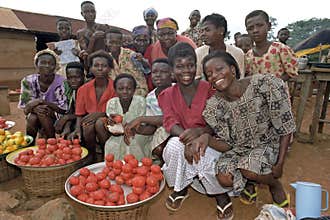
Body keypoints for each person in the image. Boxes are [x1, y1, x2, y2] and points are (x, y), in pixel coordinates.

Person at [196, 51, 295, 219]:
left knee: (249, 168)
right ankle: (251, 182)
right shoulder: (214, 107)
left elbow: (285, 126)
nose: (215, 76)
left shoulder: (264, 84)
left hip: (270, 142)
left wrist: (280, 163)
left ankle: (273, 184)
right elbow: (229, 145)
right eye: (209, 74)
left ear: (233, 70)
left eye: (220, 69)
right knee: (224, 176)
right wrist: (206, 138)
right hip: (241, 149)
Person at [157, 42, 228, 215]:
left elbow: (216, 122)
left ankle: (220, 194)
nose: (186, 71)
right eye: (179, 67)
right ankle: (181, 188)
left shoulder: (209, 89)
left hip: (210, 141)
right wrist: (189, 140)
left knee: (202, 154)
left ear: (196, 67)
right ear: (172, 70)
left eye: (190, 65)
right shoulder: (166, 95)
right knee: (173, 146)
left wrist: (199, 135)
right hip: (184, 140)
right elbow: (170, 121)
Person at [124, 58, 173, 163]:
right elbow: (151, 127)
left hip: (178, 130)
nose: (158, 75)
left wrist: (141, 119)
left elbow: (172, 119)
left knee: (159, 148)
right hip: (160, 131)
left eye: (163, 72)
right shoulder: (150, 98)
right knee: (135, 141)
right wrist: (136, 129)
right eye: (155, 72)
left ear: (172, 74)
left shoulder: (178, 91)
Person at [72, 50, 116, 159]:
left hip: (113, 122)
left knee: (100, 123)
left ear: (110, 68)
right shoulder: (83, 89)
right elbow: (79, 114)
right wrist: (77, 129)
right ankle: (91, 155)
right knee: (87, 125)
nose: (100, 68)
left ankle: (107, 154)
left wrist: (100, 114)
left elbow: (117, 112)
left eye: (104, 66)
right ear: (91, 68)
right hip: (89, 123)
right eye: (96, 65)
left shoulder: (115, 87)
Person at [18, 49, 67, 142]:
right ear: (37, 64)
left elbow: (63, 109)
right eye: (43, 63)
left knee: (42, 112)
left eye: (51, 63)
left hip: (57, 115)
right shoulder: (28, 81)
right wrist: (35, 108)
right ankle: (31, 144)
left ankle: (51, 141)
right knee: (32, 117)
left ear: (55, 66)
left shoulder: (62, 82)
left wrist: (42, 102)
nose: (47, 66)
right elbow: (26, 109)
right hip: (35, 113)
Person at [104, 74, 148, 161]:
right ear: (115, 90)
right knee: (111, 144)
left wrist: (128, 129)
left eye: (129, 89)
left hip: (138, 133)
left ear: (134, 90)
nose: (125, 91)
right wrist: (111, 124)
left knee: (133, 143)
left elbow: (141, 124)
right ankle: (115, 168)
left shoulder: (140, 101)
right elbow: (113, 126)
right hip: (118, 134)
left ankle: (138, 167)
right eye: (120, 89)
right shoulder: (112, 103)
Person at [245, 10, 298, 81]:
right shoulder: (248, 55)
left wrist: (272, 84)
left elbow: (291, 72)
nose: (255, 30)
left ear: (269, 26)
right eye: (250, 28)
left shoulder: (281, 49)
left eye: (260, 25)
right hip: (256, 91)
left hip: (278, 91)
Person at [196, 13, 245, 79]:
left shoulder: (237, 53)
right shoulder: (199, 53)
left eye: (207, 30)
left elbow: (240, 79)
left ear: (221, 30)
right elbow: (197, 80)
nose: (203, 34)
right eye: (202, 31)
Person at [104, 29, 148, 96]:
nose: (114, 45)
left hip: (138, 92)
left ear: (121, 42)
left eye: (117, 42)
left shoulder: (130, 54)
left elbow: (146, 68)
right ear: (105, 42)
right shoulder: (106, 59)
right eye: (111, 42)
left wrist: (142, 60)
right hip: (118, 95)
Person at [55, 62, 85, 138]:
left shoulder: (88, 89)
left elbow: (87, 113)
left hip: (87, 121)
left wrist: (67, 118)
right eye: (69, 78)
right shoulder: (73, 90)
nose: (73, 81)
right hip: (76, 119)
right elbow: (71, 110)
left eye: (77, 77)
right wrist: (67, 126)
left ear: (83, 76)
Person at [131, 25, 153, 91]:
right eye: (138, 40)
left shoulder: (154, 51)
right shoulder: (128, 52)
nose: (141, 44)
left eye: (145, 40)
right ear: (133, 40)